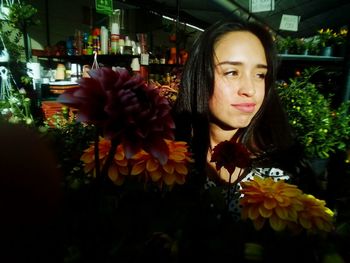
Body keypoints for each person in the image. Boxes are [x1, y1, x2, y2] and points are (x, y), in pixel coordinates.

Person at [173, 19, 302, 216]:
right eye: (232, 72)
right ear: (199, 75)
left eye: (260, 75)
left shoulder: (282, 174)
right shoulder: (164, 158)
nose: (250, 90)